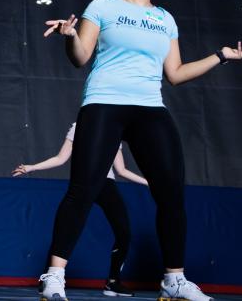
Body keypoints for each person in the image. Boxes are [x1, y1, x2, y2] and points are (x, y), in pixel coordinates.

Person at [38, 0, 242, 301]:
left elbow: (174, 73)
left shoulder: (165, 19)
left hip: (150, 108)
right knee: (83, 189)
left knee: (171, 195)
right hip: (104, 103)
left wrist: (221, 56)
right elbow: (81, 57)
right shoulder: (103, 6)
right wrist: (71, 37)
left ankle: (174, 280)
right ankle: (54, 276)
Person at [13, 122, 147, 297]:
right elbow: (61, 158)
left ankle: (113, 282)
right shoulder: (80, 126)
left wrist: (150, 183)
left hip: (106, 184)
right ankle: (49, 279)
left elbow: (121, 170)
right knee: (66, 228)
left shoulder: (116, 129)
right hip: (84, 181)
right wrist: (32, 167)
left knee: (124, 233)